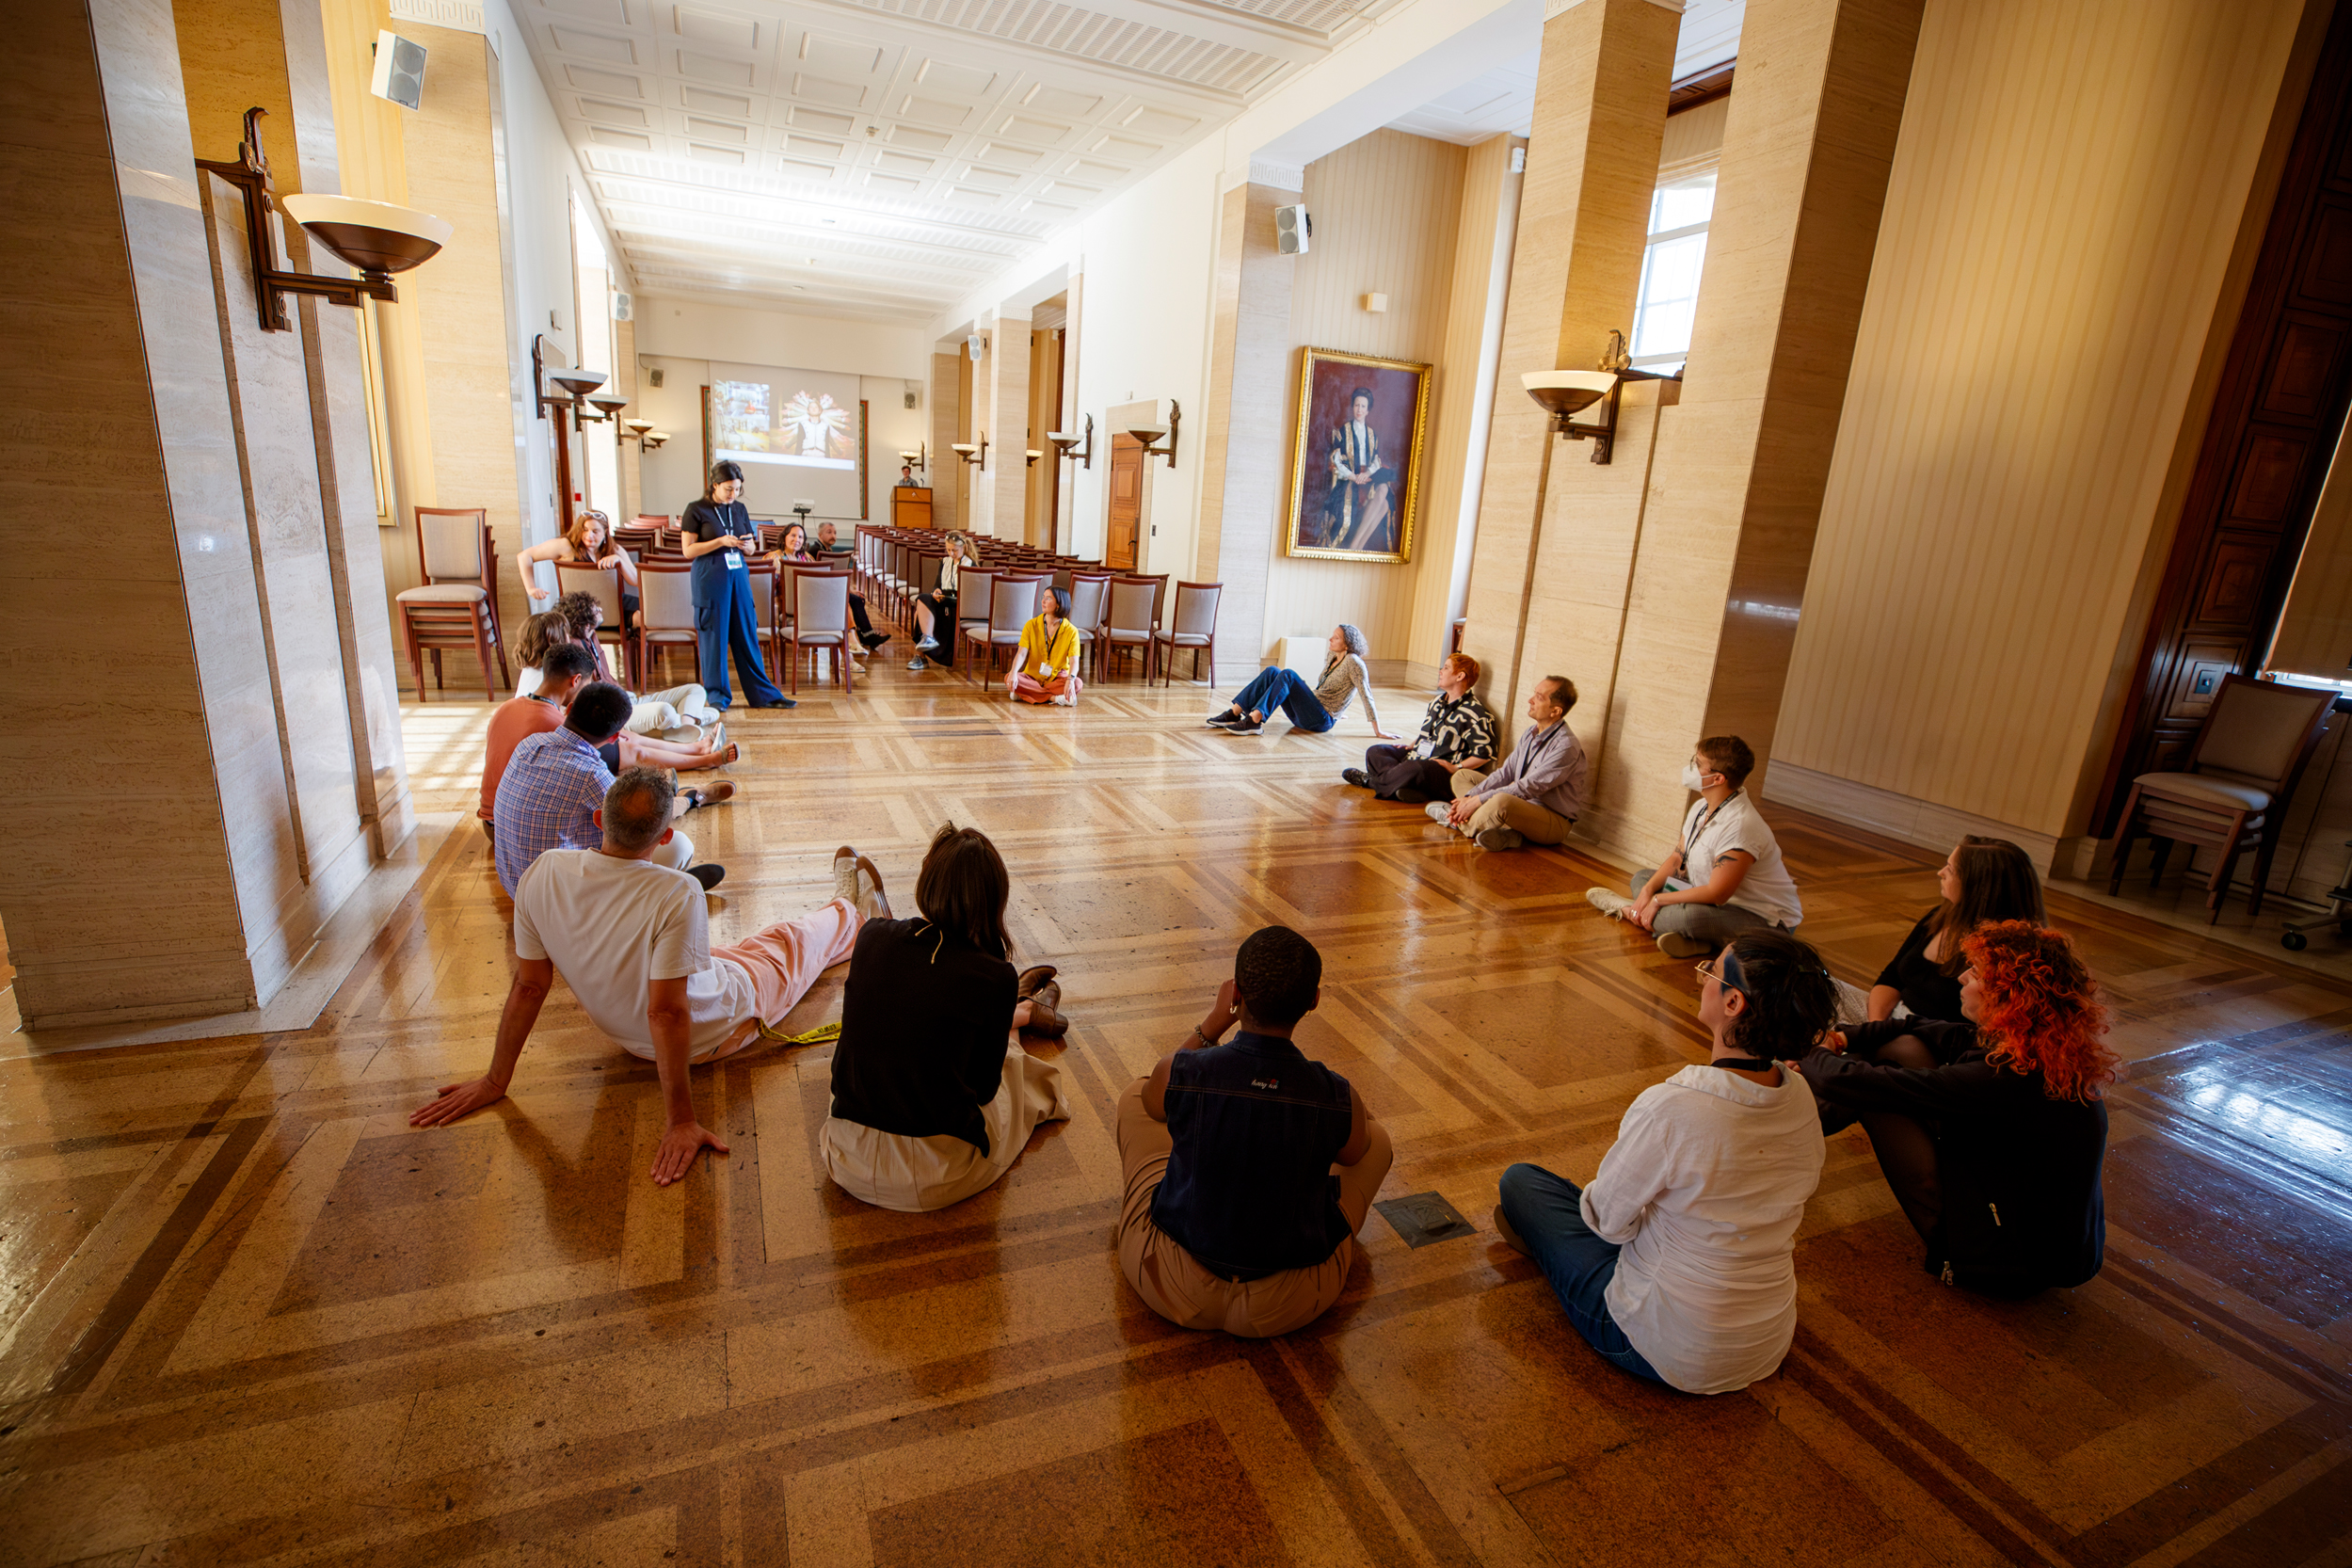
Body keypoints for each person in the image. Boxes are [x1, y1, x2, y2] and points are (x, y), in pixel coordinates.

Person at [413, 769, 887, 1185]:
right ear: (665, 838)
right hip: (711, 1030)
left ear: (599, 820)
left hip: (630, 1036)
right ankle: (850, 908)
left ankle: (844, 929)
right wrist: (681, 1120)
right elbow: (666, 1010)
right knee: (787, 941)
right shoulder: (676, 890)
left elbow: (529, 986)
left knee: (738, 949)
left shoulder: (543, 871)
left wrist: (496, 1081)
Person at [1496, 929, 1835, 1393]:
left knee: (1522, 1183)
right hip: (1765, 1342)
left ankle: (1545, 1247)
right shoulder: (1798, 1097)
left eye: (1710, 973)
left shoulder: (1674, 1105)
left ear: (1733, 1003)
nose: (1702, 981)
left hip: (1659, 1346)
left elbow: (1607, 1223)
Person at [1801, 921, 2113, 1296]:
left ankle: (1775, 1124)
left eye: (1977, 972)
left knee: (1876, 1097)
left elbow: (1851, 1083)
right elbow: (1921, 1027)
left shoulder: (2006, 1078)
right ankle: (1790, 1121)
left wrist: (1813, 1052)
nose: (1963, 976)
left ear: (2008, 994)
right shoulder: (2036, 1046)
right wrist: (1842, 1037)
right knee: (1901, 1047)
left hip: (2012, 1260)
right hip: (2039, 1231)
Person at [1116, 926, 1396, 1337]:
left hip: (1173, 1285)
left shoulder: (1187, 1070)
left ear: (1235, 995)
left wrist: (1213, 1025)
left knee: (1136, 1098)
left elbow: (1153, 1103)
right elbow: (1354, 1155)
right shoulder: (1333, 1092)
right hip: (1289, 1301)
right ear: (1313, 1001)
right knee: (1377, 1141)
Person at [821, 824, 1072, 1211]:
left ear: (927, 884)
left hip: (845, 1155)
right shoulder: (992, 975)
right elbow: (983, 1090)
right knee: (1020, 1074)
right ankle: (1017, 1014)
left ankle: (1017, 1011)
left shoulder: (871, 936)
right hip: (935, 1175)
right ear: (994, 901)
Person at [491, 681, 723, 897]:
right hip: (564, 901)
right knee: (678, 846)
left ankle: (686, 804)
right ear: (615, 737)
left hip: (516, 890)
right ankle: (658, 889)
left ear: (568, 709)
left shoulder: (528, 744)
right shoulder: (591, 774)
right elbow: (641, 828)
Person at [1587, 735, 1803, 957]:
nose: (1691, 767)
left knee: (1688, 917)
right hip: (1713, 903)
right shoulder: (1702, 806)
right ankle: (1698, 940)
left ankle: (1626, 909)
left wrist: (1658, 900)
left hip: (1763, 921)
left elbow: (1716, 894)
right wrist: (1648, 891)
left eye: (1698, 764)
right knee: (1642, 878)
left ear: (1718, 778)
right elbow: (1677, 858)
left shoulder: (1741, 826)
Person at [1841, 837, 2046, 1024]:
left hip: (1928, 1042)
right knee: (1822, 990)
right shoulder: (1941, 915)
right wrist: (1874, 1025)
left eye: (1950, 869)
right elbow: (1891, 977)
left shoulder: (2006, 953)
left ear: (1977, 886)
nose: (1941, 873)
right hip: (1889, 1021)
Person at [679, 461, 794, 712]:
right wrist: (720, 541)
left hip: (738, 573)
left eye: (738, 489)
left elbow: (751, 545)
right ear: (715, 485)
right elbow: (688, 550)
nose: (733, 494)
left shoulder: (740, 509)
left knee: (746, 633)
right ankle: (718, 697)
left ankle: (763, 694)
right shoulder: (696, 509)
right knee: (714, 637)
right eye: (729, 489)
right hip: (710, 576)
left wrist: (748, 547)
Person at [1426, 675, 1584, 851]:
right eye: (1534, 694)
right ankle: (1508, 834)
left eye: (1538, 698)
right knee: (1462, 776)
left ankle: (1453, 819)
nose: (1530, 700)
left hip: (1552, 821)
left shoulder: (1566, 746)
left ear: (1555, 711)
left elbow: (1527, 787)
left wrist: (1478, 801)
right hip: (1521, 805)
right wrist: (1470, 798)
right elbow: (1505, 773)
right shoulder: (1531, 732)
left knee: (1502, 800)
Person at [550, 590, 725, 748]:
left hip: (626, 699)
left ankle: (686, 724)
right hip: (614, 713)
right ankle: (689, 719)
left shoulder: (592, 636)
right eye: (596, 610)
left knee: (696, 690)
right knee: (665, 711)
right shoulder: (573, 650)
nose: (601, 611)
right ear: (584, 619)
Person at [479, 641, 597, 841]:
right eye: (587, 685)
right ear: (576, 680)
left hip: (490, 822)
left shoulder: (506, 707)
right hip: (514, 828)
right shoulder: (555, 724)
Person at [1344, 652, 1497, 804]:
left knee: (1414, 768)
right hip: (1418, 757)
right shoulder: (1437, 702)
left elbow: (1485, 754)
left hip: (1440, 770)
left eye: (1446, 668)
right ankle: (1406, 789)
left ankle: (1370, 782)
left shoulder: (1476, 714)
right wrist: (1411, 747)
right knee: (1376, 751)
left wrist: (1456, 767)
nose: (1440, 671)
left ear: (1460, 676)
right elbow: (1430, 733)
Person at [1206, 624, 1400, 740]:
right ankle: (1234, 713)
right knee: (1273, 671)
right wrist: (1341, 712)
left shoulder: (1354, 663)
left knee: (1288, 674)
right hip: (1307, 714)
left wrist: (1378, 730)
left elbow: (1366, 694)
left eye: (1336, 637)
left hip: (1320, 721)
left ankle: (1254, 721)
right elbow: (1326, 689)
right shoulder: (1333, 656)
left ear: (1348, 644)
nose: (1330, 639)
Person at [516, 508, 642, 631]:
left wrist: (619, 561)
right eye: (584, 530)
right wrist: (531, 588)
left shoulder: (616, 550)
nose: (589, 535)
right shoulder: (566, 546)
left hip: (612, 609)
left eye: (595, 531)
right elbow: (524, 556)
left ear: (605, 532)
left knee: (650, 615)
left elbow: (636, 581)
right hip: (576, 613)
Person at [1323, 387, 1397, 552]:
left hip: (1368, 477)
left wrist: (1367, 474)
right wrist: (1353, 476)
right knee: (1383, 503)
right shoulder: (1344, 431)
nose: (1359, 410)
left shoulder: (1372, 434)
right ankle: (1355, 545)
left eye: (1363, 406)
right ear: (1352, 407)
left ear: (1368, 410)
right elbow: (1337, 460)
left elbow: (1376, 461)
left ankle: (1358, 545)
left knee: (1384, 491)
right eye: (1357, 405)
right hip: (1350, 479)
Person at [908, 532, 976, 670]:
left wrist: (946, 598)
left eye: (955, 550)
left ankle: (921, 653)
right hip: (944, 599)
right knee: (922, 604)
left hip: (957, 602)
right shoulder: (945, 562)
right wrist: (936, 591)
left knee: (921, 600)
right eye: (949, 550)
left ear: (964, 548)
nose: (952, 553)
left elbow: (968, 594)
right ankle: (925, 643)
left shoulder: (970, 565)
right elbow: (937, 584)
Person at [1007, 586, 1082, 706]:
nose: (1043, 601)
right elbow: (1021, 653)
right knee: (1009, 677)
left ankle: (1026, 693)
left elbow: (1074, 661)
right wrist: (1013, 672)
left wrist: (1071, 679)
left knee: (1077, 684)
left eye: (1048, 598)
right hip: (1032, 677)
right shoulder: (1031, 625)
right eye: (1043, 597)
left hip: (1057, 678)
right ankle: (1055, 698)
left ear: (1058, 604)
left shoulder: (1071, 631)